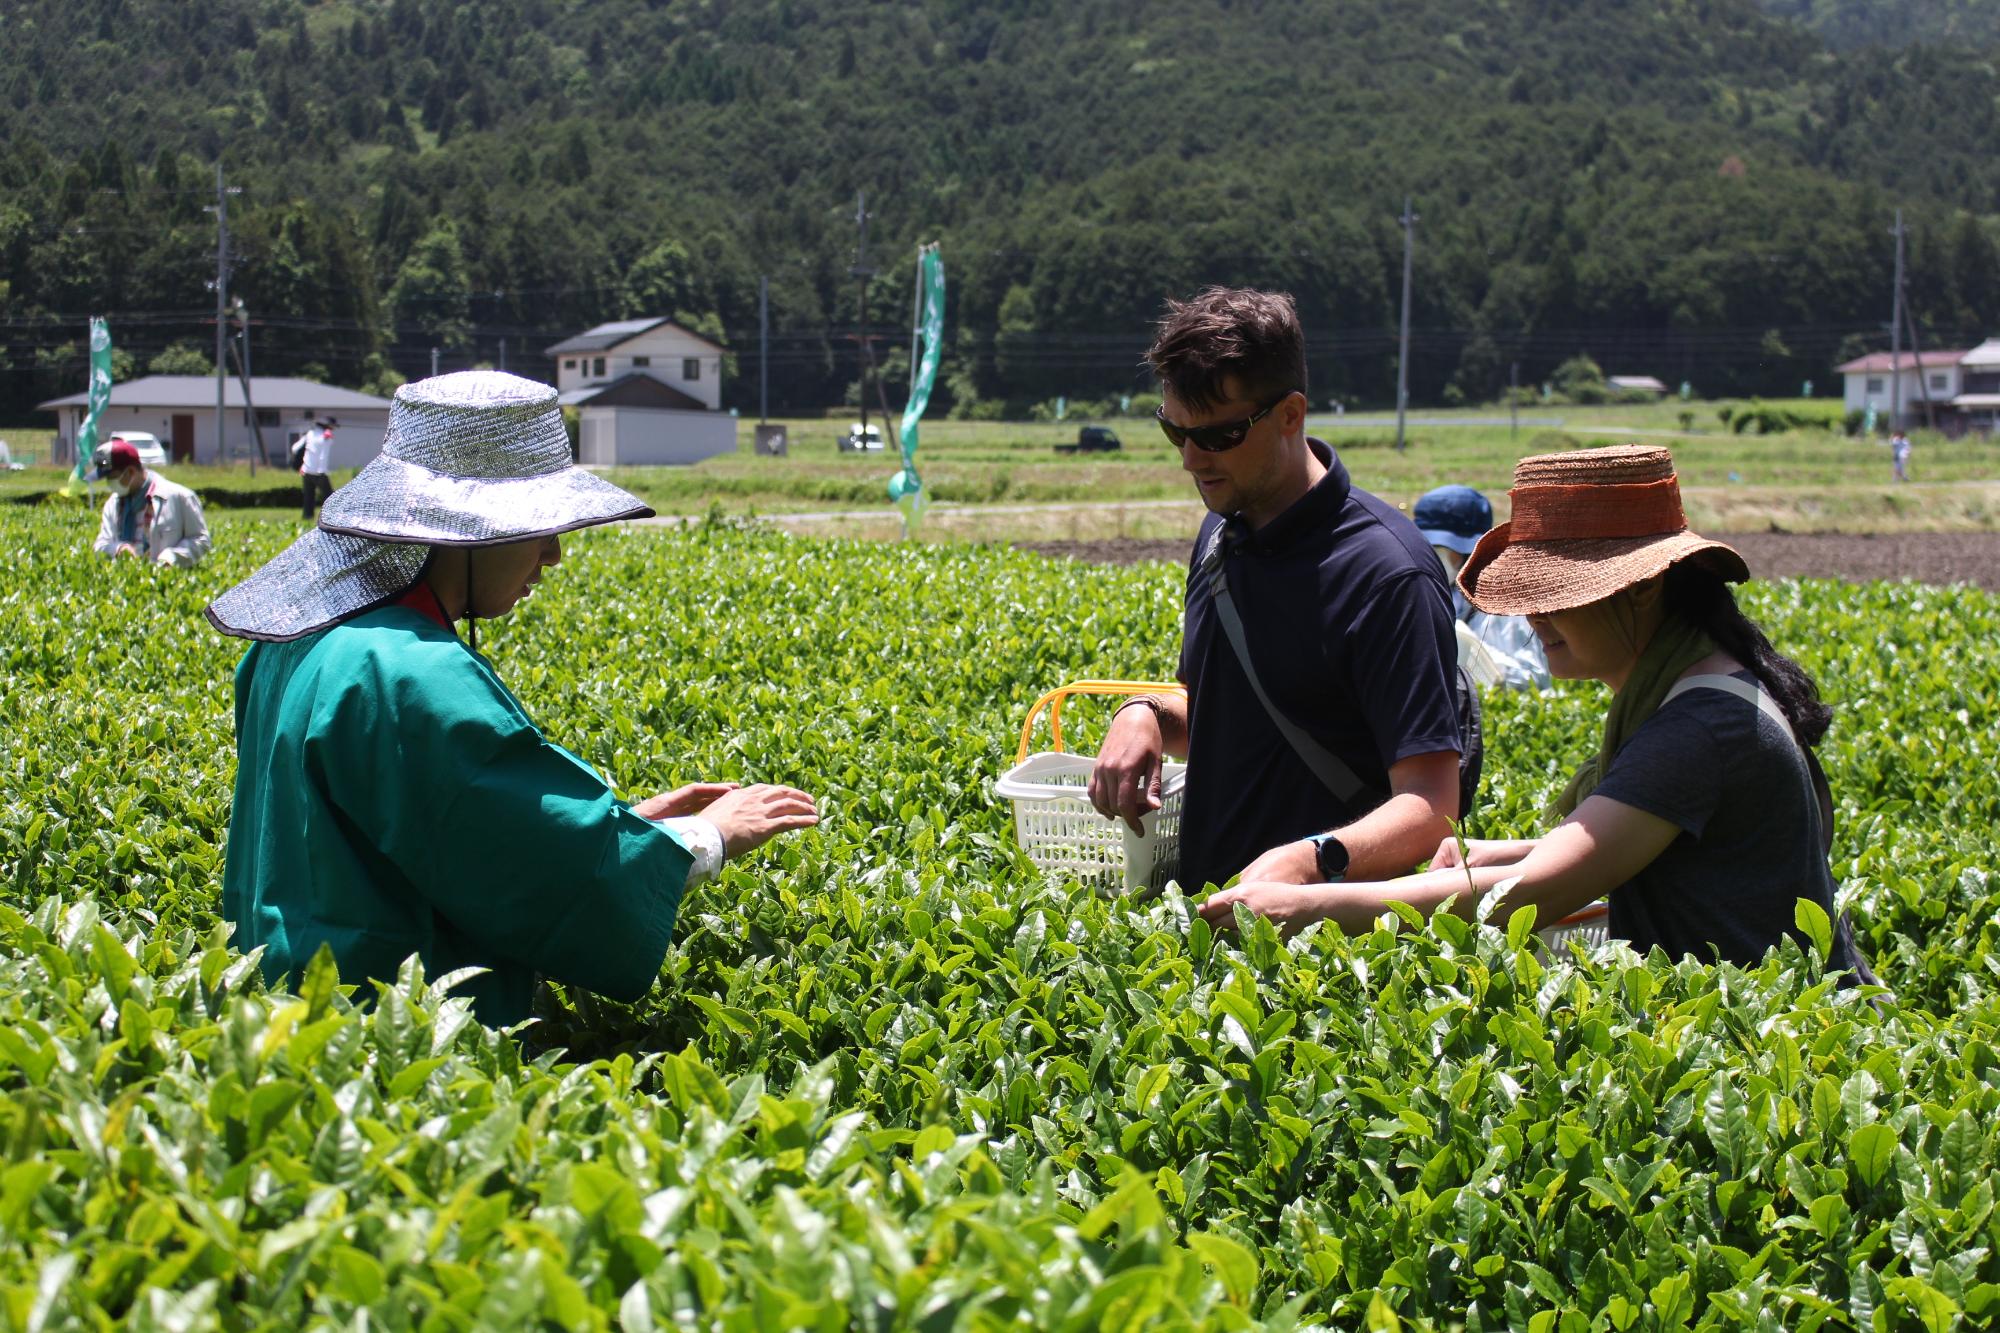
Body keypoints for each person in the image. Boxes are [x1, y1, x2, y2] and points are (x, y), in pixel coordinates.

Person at [207, 371, 819, 1026]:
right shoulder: (408, 673)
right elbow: (547, 879)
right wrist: (707, 837)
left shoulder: (290, 642)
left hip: (275, 1021)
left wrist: (629, 825)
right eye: (538, 527)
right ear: (469, 527)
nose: (553, 554)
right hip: (382, 1042)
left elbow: (445, 839)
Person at [1200, 444, 1872, 980]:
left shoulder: (1700, 727)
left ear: (1640, 592)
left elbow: (1531, 892)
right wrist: (1508, 850)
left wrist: (1304, 907)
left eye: (1557, 594)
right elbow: (1640, 850)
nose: (1533, 616)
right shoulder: (1690, 684)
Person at [1089, 287, 1463, 893]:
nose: (1191, 459)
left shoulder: (1388, 575)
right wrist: (1146, 713)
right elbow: (1230, 716)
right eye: (1174, 432)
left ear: (1291, 414)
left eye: (1216, 437)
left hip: (1329, 950)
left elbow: (1430, 805)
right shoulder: (1221, 531)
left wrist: (1310, 862)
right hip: (1209, 924)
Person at [1412, 484, 1550, 691]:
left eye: (1444, 550)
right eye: (1428, 548)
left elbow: (1534, 681)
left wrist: (1473, 653)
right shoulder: (1420, 593)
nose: (1435, 559)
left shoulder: (1507, 606)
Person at [92, 437, 211, 568]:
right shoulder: (113, 503)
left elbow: (201, 540)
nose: (109, 483)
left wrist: (172, 558)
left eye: (112, 477)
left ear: (130, 472)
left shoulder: (181, 497)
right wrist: (118, 548)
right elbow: (101, 543)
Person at [298, 418, 335, 517]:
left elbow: (295, 448)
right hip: (319, 472)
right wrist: (322, 470)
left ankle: (307, 517)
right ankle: (331, 516)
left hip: (306, 470)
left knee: (308, 497)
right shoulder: (326, 436)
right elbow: (324, 455)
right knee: (330, 497)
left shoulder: (310, 434)